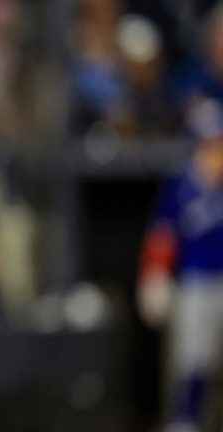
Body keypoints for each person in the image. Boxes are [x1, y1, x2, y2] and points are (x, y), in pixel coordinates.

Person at [138, 97, 223, 432]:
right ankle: (185, 421)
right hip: (194, 284)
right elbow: (163, 235)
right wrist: (155, 277)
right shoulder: (181, 184)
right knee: (193, 359)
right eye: (210, 143)